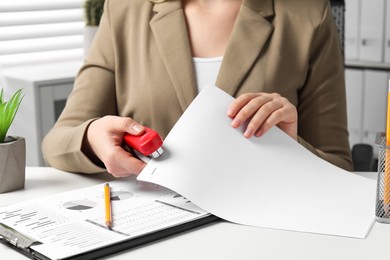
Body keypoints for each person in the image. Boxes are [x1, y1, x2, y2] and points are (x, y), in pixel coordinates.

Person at [42, 0, 353, 177]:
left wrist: (291, 147)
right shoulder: (125, 8)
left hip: (259, 233)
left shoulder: (309, 15)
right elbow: (57, 142)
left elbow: (340, 168)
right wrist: (93, 137)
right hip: (146, 231)